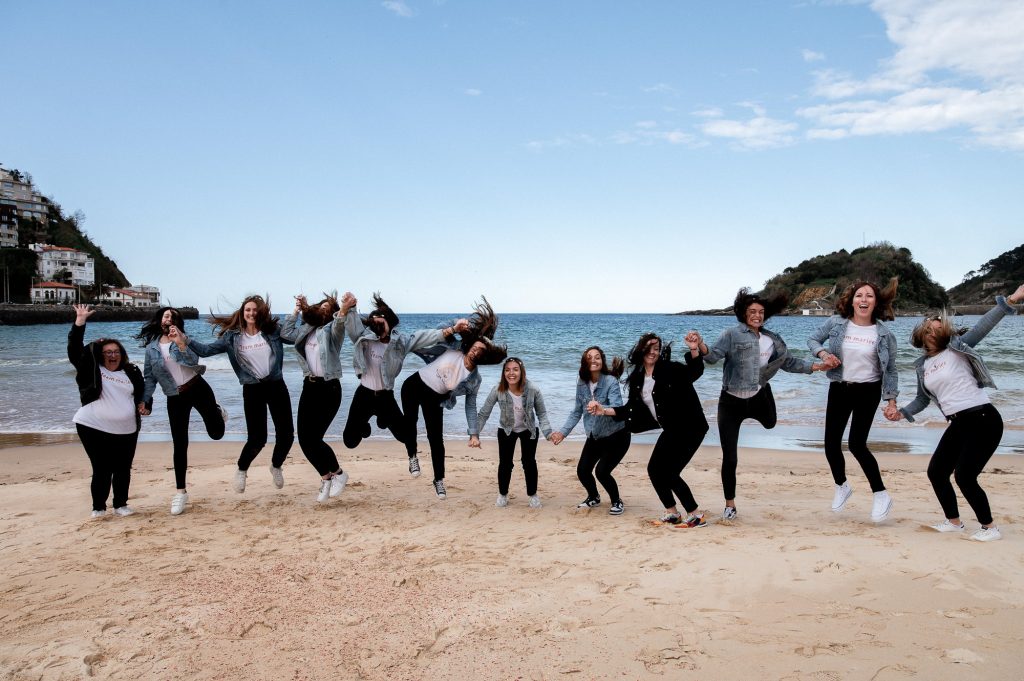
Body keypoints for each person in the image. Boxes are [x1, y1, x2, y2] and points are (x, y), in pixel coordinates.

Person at [887, 285, 1024, 542]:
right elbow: (922, 399)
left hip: (983, 419)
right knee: (937, 472)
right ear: (921, 333)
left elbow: (984, 325)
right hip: (958, 424)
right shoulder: (923, 366)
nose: (933, 329)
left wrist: (1012, 299)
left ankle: (989, 527)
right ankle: (954, 522)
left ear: (945, 332)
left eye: (938, 327)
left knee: (964, 476)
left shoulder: (959, 347)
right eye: (929, 327)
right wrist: (901, 413)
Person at [698, 288, 831, 521]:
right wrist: (700, 344)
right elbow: (712, 357)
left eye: (760, 312)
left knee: (770, 423)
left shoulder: (773, 339)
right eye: (752, 311)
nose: (757, 315)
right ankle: (730, 505)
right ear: (743, 313)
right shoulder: (731, 334)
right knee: (730, 457)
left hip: (758, 396)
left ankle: (765, 390)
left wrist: (817, 366)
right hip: (730, 402)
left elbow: (788, 362)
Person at [808, 279, 899, 522]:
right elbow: (813, 340)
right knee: (830, 444)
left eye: (869, 296)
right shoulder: (837, 323)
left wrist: (891, 401)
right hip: (840, 388)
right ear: (852, 300)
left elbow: (890, 370)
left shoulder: (885, 334)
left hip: (869, 391)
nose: (864, 300)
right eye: (859, 295)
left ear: (876, 302)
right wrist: (824, 354)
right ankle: (842, 485)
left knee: (858, 445)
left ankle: (881, 494)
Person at [342, 293, 467, 468]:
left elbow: (424, 337)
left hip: (385, 397)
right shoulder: (364, 337)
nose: (377, 329)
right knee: (350, 441)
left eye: (380, 324)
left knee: (406, 436)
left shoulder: (401, 342)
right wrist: (350, 307)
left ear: (389, 323)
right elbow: (351, 325)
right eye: (374, 325)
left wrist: (452, 330)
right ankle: (365, 427)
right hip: (364, 395)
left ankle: (382, 419)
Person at [185, 295, 294, 494]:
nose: (251, 313)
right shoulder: (232, 337)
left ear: (261, 313)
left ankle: (276, 465)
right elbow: (206, 350)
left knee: (287, 435)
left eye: (255, 310)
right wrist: (184, 340)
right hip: (252, 389)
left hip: (276, 385)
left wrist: (296, 312)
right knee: (257, 438)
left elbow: (293, 337)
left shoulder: (272, 331)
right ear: (243, 313)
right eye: (248, 310)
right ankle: (242, 469)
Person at [400, 298, 507, 499]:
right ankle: (412, 456)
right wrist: (456, 324)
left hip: (436, 398)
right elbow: (438, 330)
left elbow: (470, 406)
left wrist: (473, 433)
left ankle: (439, 480)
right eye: (475, 346)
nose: (476, 350)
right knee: (410, 422)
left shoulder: (474, 379)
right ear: (470, 345)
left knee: (435, 438)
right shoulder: (454, 347)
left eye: (481, 351)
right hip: (414, 385)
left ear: (483, 357)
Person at [608, 332, 709, 527]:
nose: (653, 352)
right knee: (654, 470)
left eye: (656, 349)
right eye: (649, 348)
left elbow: (695, 371)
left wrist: (694, 349)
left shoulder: (670, 369)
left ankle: (696, 515)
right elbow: (631, 409)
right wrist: (604, 410)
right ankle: (672, 513)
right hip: (671, 429)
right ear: (641, 350)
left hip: (691, 426)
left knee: (670, 472)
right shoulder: (638, 378)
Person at [138, 306, 227, 516]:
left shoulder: (183, 340)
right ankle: (181, 492)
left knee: (216, 434)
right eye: (166, 315)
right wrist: (145, 400)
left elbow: (193, 362)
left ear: (177, 323)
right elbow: (149, 378)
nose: (169, 318)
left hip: (197, 388)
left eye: (173, 317)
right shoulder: (151, 349)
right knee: (179, 444)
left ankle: (216, 411)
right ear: (160, 320)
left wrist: (180, 343)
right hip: (174, 397)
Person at [69, 304, 147, 518]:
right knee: (102, 468)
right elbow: (75, 350)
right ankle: (98, 508)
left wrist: (144, 404)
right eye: (108, 352)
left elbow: (142, 393)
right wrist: (80, 323)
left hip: (127, 429)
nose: (113, 355)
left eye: (116, 352)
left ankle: (120, 504)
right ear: (101, 355)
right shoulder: (92, 370)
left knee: (123, 468)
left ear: (122, 354)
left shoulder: (131, 371)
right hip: (93, 426)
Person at [280, 292, 355, 503]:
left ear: (331, 314)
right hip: (309, 387)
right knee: (304, 439)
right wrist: (297, 310)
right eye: (321, 306)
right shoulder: (306, 328)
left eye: (328, 309)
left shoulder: (333, 331)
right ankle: (327, 477)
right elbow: (286, 333)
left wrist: (344, 308)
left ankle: (338, 474)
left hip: (330, 389)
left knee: (314, 438)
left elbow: (339, 323)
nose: (324, 310)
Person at [550, 346, 630, 515]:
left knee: (602, 472)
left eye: (597, 357)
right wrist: (563, 433)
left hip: (617, 436)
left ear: (602, 361)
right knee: (582, 471)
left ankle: (617, 501)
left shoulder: (610, 381)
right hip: (595, 435)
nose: (593, 360)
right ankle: (594, 497)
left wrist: (601, 407)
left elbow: (618, 407)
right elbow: (577, 411)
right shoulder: (582, 383)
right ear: (584, 363)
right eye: (589, 357)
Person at [477, 357, 553, 508]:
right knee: (505, 464)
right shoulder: (498, 389)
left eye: (515, 369)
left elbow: (542, 414)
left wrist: (548, 433)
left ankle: (533, 495)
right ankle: (503, 494)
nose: (511, 373)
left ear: (521, 372)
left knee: (529, 462)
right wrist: (474, 434)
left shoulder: (533, 389)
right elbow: (484, 413)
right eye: (507, 370)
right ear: (503, 373)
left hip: (528, 429)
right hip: (506, 429)